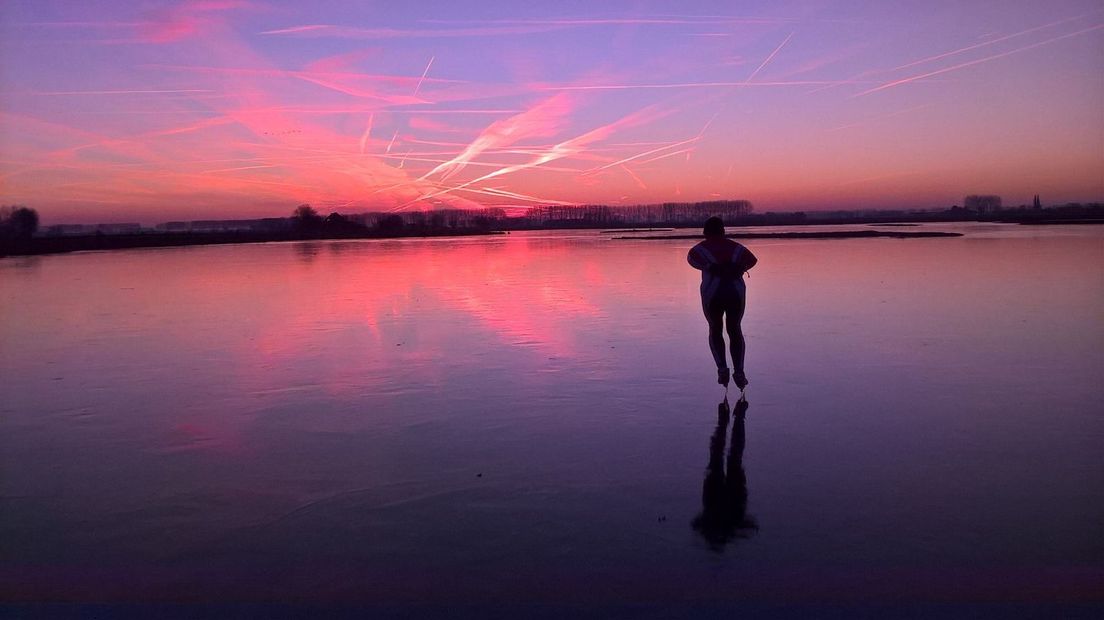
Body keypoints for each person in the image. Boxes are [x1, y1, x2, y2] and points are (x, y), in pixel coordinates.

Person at [687, 216, 757, 388]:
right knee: (735, 330)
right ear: (723, 231)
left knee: (715, 329)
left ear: (705, 232)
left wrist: (711, 267)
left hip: (712, 295)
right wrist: (739, 269)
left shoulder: (700, 249)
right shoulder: (736, 248)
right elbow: (752, 260)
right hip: (735, 294)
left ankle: (722, 370)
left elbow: (691, 259)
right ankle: (739, 372)